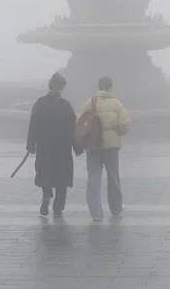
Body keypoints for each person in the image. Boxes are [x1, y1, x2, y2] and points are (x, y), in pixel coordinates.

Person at [26, 72, 79, 217]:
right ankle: (58, 206)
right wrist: (78, 146)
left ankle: (46, 196)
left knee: (45, 172)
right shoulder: (65, 105)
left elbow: (33, 124)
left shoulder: (40, 103)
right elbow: (73, 128)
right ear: (62, 87)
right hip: (62, 147)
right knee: (62, 175)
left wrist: (30, 143)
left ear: (50, 85)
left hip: (45, 146)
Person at [82, 76, 131, 222]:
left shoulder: (90, 102)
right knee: (113, 178)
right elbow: (126, 123)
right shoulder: (116, 104)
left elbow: (81, 120)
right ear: (110, 87)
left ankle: (96, 213)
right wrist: (117, 130)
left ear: (98, 86)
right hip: (111, 146)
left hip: (93, 146)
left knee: (93, 179)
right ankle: (115, 208)